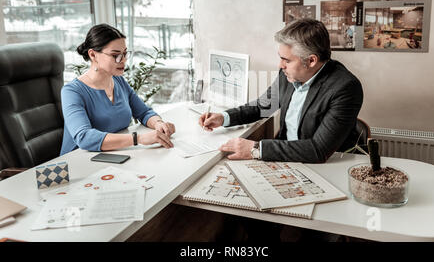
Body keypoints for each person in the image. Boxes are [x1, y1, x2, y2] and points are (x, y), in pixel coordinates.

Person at [199, 18, 363, 163]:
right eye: (280, 57)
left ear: (311, 60)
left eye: (286, 60)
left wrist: (256, 148)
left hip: (326, 165)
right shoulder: (289, 73)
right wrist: (224, 117)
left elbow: (318, 150)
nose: (280, 65)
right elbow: (263, 106)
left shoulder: (346, 88)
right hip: (285, 158)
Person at [60, 23, 175, 155]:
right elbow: (84, 137)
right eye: (116, 55)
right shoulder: (72, 91)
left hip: (115, 155)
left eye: (125, 54)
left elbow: (144, 113)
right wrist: (139, 138)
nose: (123, 60)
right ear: (93, 55)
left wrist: (159, 123)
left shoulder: (118, 81)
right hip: (78, 163)